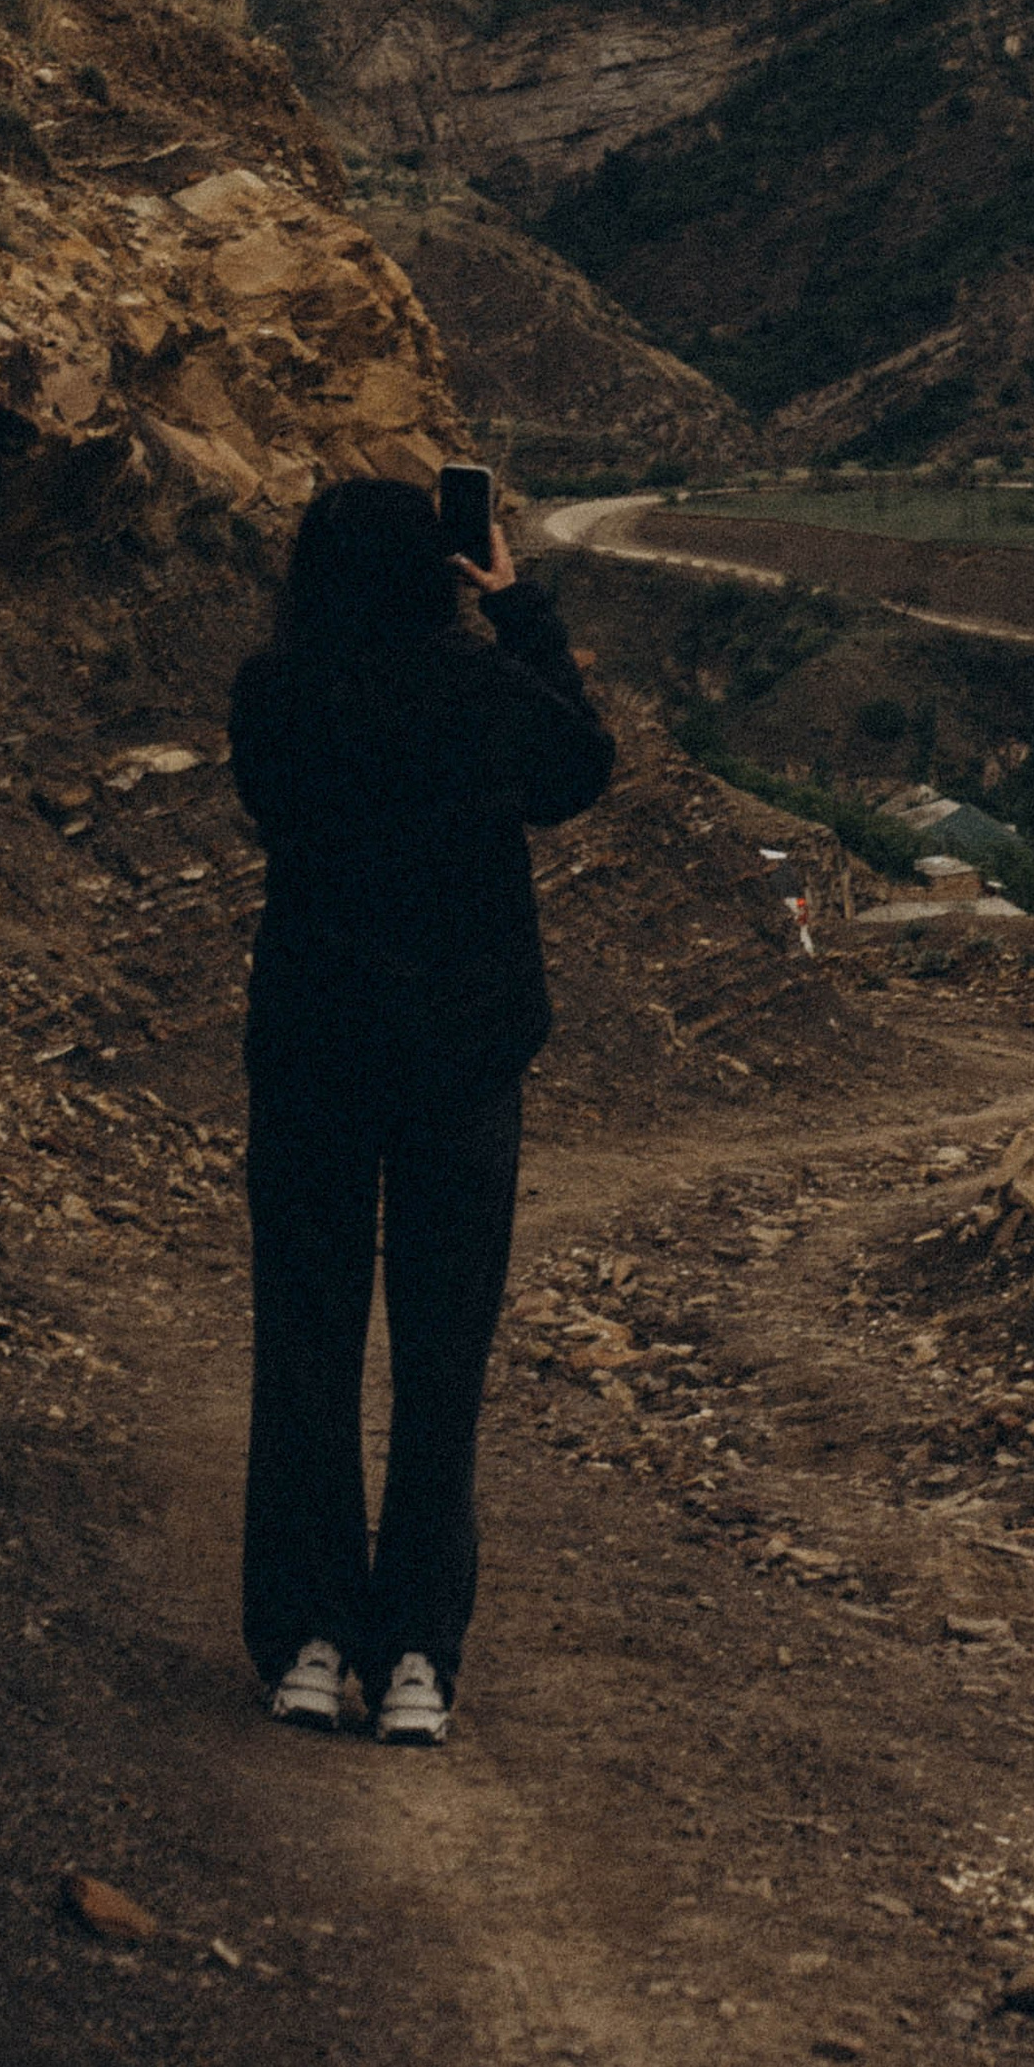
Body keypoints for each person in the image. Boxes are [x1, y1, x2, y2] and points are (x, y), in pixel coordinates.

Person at [228, 475, 614, 1746]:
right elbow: (579, 768)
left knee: (306, 1346)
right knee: (443, 1358)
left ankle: (308, 1641)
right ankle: (417, 1664)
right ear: (443, 565)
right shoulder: (484, 691)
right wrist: (520, 611)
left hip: (313, 1054)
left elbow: (276, 811)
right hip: (463, 1056)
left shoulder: (272, 696)